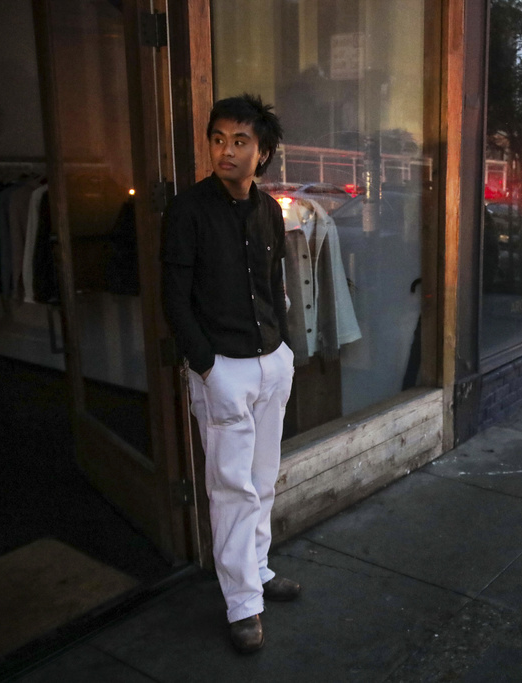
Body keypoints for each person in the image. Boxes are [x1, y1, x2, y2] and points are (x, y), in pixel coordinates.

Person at [162, 94, 301, 654]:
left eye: (240, 141)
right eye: (218, 139)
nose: (226, 150)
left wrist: (285, 347)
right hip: (222, 369)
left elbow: (274, 286)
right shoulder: (188, 210)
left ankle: (259, 569)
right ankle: (243, 604)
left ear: (262, 152)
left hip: (271, 362)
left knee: (263, 479)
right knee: (231, 489)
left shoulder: (268, 210)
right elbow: (174, 297)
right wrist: (205, 365)